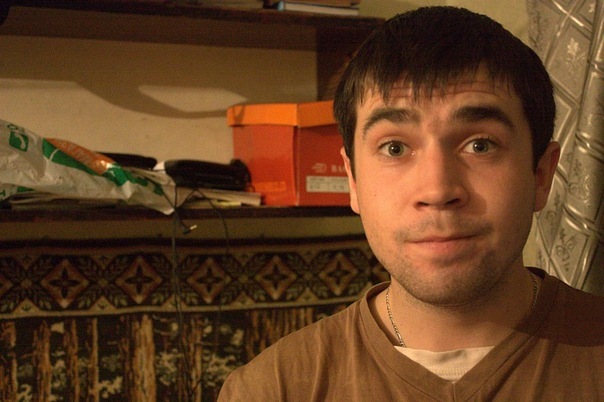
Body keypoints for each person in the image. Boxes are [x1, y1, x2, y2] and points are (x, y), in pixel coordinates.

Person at [218, 6, 604, 400]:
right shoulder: (271, 389)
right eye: (394, 148)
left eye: (480, 145)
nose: (436, 191)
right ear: (352, 180)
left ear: (541, 174)